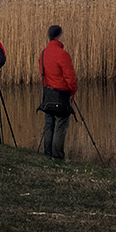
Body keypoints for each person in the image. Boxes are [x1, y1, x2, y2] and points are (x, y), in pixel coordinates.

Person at [38, 25, 77, 162]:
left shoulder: (43, 54)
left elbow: (42, 73)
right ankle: (58, 156)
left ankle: (47, 154)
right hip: (61, 96)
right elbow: (70, 77)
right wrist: (73, 91)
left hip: (47, 95)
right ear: (59, 35)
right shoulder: (62, 54)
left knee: (49, 125)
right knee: (60, 126)